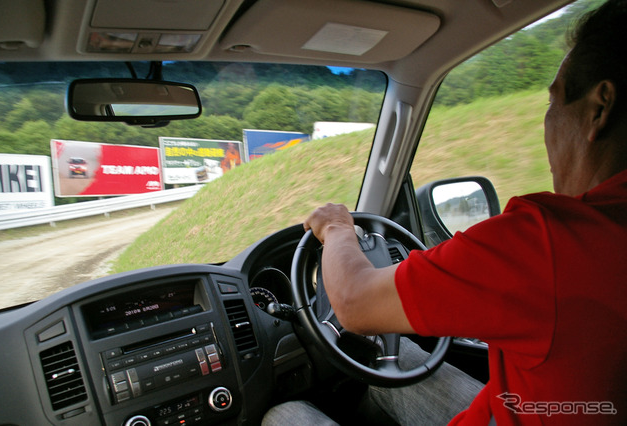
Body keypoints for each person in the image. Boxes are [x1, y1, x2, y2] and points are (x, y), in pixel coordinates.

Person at [263, 0, 627, 424]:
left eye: (552, 105)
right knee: (403, 354)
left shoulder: (548, 242)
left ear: (598, 109)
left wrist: (339, 228)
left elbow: (354, 303)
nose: (546, 126)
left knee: (286, 415)